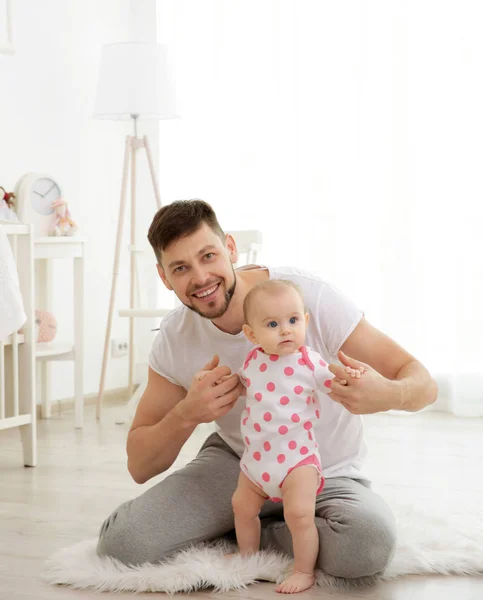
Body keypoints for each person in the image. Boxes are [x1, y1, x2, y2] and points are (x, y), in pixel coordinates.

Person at [96, 199, 438, 583]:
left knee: (366, 546)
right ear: (164, 277)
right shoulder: (175, 337)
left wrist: (389, 395)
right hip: (243, 465)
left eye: (208, 256)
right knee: (123, 544)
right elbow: (139, 466)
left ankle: (245, 534)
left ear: (230, 248)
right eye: (181, 268)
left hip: (323, 470)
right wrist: (187, 413)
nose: (201, 277)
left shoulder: (305, 297)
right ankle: (254, 523)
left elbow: (423, 382)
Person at [231, 279, 365, 593]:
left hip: (297, 461)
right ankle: (248, 557)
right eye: (273, 324)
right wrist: (229, 385)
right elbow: (248, 387)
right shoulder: (252, 361)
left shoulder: (309, 362)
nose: (286, 330)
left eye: (293, 321)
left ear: (304, 321)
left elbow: (332, 381)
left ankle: (304, 571)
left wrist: (350, 377)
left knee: (299, 513)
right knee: (241, 506)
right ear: (252, 335)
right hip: (256, 461)